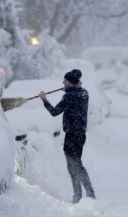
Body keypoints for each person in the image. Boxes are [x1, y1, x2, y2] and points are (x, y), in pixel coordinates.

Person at [39, 69, 96, 203]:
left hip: (71, 135)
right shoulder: (84, 93)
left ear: (70, 82)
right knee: (77, 164)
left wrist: (44, 100)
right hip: (80, 134)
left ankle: (80, 195)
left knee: (73, 166)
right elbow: (75, 92)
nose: (63, 83)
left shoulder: (70, 96)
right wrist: (69, 89)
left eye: (65, 81)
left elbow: (54, 112)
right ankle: (87, 194)